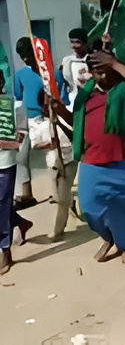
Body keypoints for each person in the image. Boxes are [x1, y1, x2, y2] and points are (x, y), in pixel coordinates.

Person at [61, 50, 125, 264]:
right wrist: (57, 109)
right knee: (89, 206)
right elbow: (76, 122)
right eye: (95, 71)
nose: (99, 75)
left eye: (104, 70)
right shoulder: (85, 96)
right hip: (92, 161)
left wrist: (114, 62)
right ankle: (110, 237)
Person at [28, 91, 76, 242]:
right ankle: (71, 203)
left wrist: (59, 119)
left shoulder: (65, 118)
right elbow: (34, 144)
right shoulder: (39, 124)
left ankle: (58, 230)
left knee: (62, 200)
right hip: (52, 164)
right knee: (57, 196)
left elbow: (75, 133)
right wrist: (49, 145)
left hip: (68, 161)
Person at [0, 71, 32, 275]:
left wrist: (6, 142)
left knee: (1, 205)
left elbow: (20, 137)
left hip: (4, 163)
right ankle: (21, 222)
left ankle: (5, 250)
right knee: (2, 206)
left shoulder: (14, 106)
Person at [13, 38, 44, 210]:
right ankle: (27, 193)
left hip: (43, 117)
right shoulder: (20, 75)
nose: (25, 59)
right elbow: (18, 97)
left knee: (53, 154)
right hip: (24, 117)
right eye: (22, 56)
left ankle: (61, 192)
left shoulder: (45, 73)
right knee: (21, 157)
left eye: (27, 54)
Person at [59, 28, 90, 110]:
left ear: (84, 43)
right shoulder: (67, 61)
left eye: (77, 42)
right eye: (72, 42)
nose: (74, 46)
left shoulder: (91, 59)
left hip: (90, 100)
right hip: (73, 101)